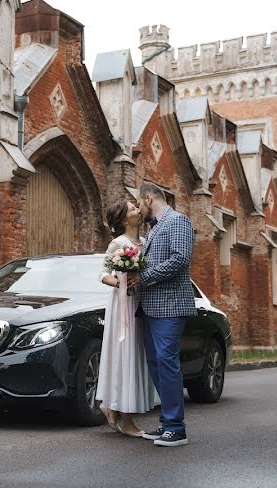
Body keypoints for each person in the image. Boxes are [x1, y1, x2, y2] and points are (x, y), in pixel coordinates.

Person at [129, 182, 195, 447]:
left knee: (167, 363)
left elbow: (180, 259)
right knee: (157, 364)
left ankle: (177, 429)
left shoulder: (178, 221)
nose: (138, 208)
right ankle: (167, 423)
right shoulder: (153, 227)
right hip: (150, 307)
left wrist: (143, 277)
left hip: (170, 306)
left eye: (138, 203)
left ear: (148, 199)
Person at [95, 200, 159, 437]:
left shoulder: (145, 242)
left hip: (141, 305)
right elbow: (102, 273)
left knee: (136, 358)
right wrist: (121, 282)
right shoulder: (118, 243)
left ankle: (110, 406)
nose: (137, 210)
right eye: (133, 209)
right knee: (124, 357)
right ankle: (126, 420)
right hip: (122, 305)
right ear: (123, 219)